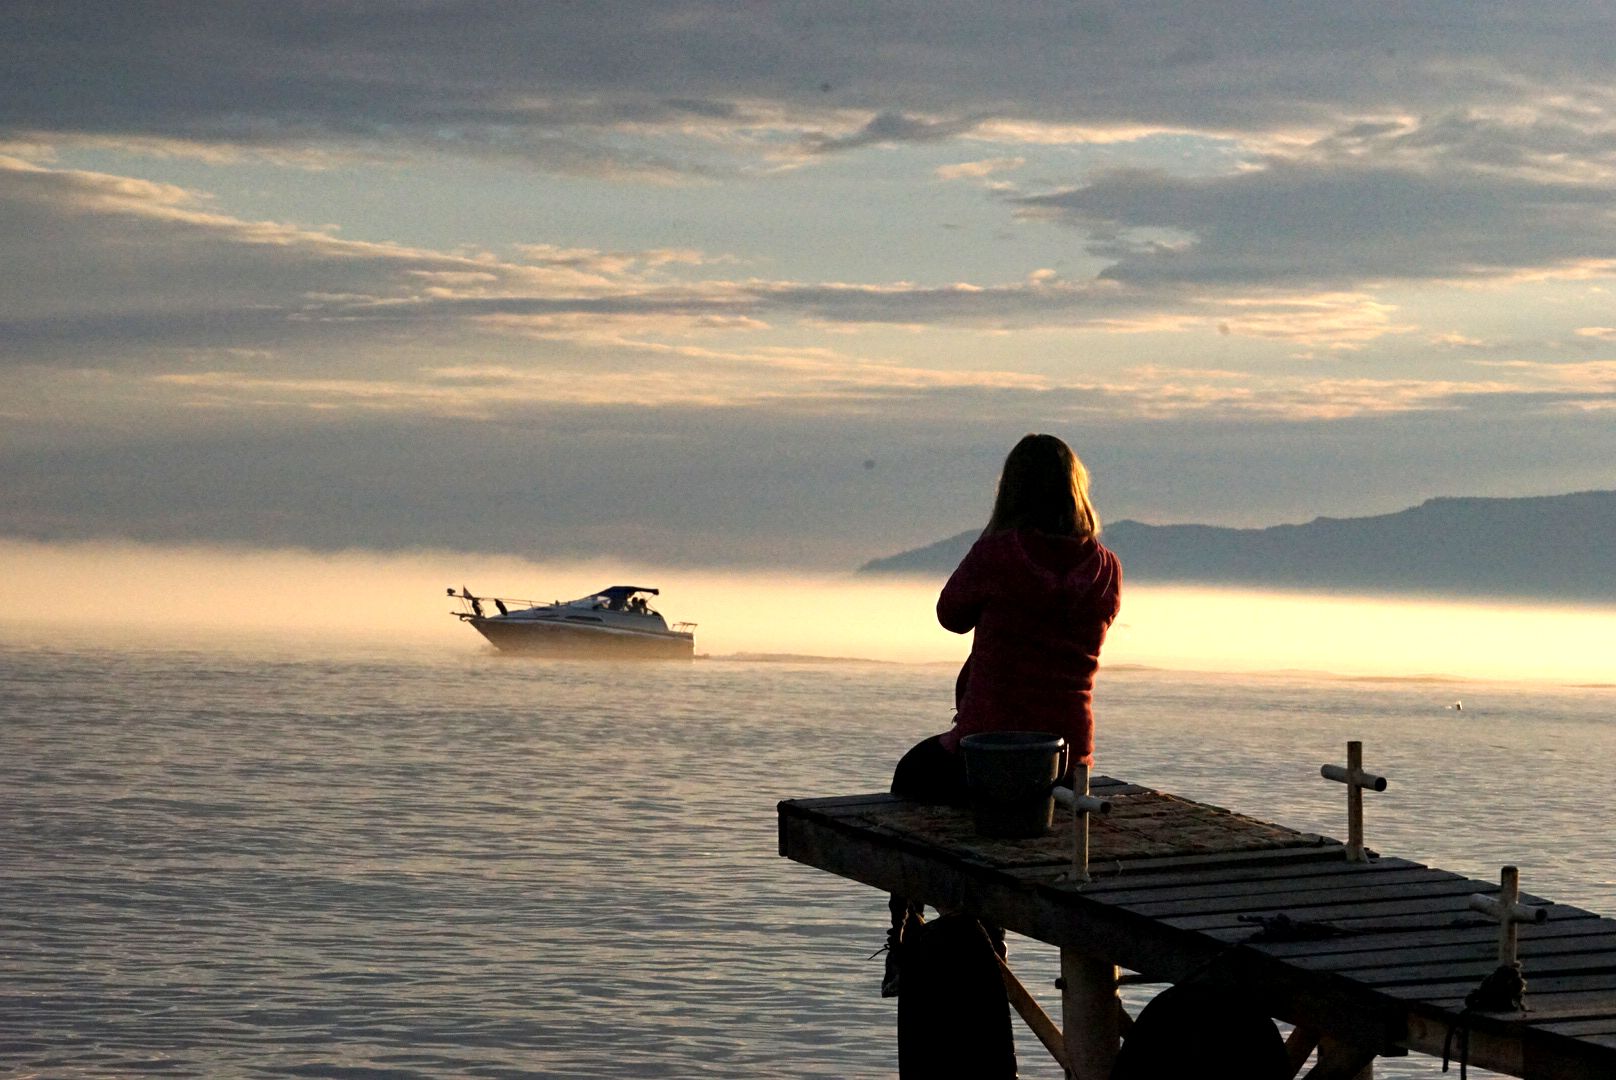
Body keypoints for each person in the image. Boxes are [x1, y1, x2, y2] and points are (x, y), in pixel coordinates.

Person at [881, 433, 1122, 997]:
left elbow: (949, 615)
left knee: (910, 776)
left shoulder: (1001, 552)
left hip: (988, 756)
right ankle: (983, 933)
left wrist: (990, 548)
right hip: (1066, 767)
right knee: (990, 817)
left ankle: (906, 934)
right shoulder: (1106, 567)